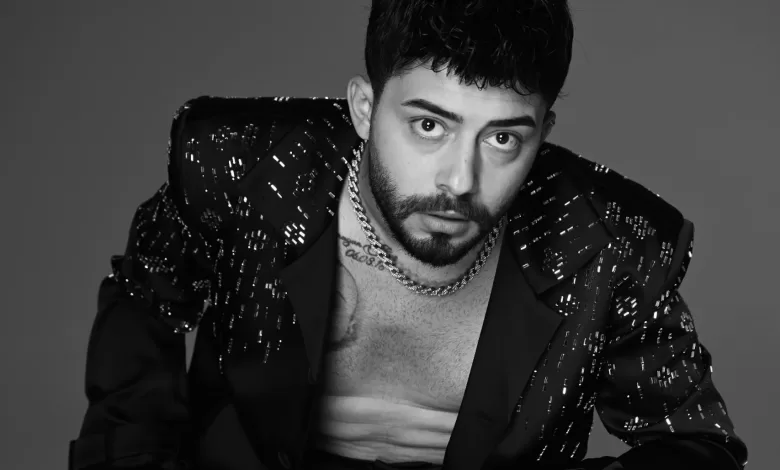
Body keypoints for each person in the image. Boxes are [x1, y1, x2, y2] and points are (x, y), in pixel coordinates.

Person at [69, 1, 748, 469]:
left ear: (542, 134)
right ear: (365, 108)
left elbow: (695, 445)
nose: (459, 180)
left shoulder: (612, 242)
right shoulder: (243, 166)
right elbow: (144, 304)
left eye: (503, 138)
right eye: (429, 125)